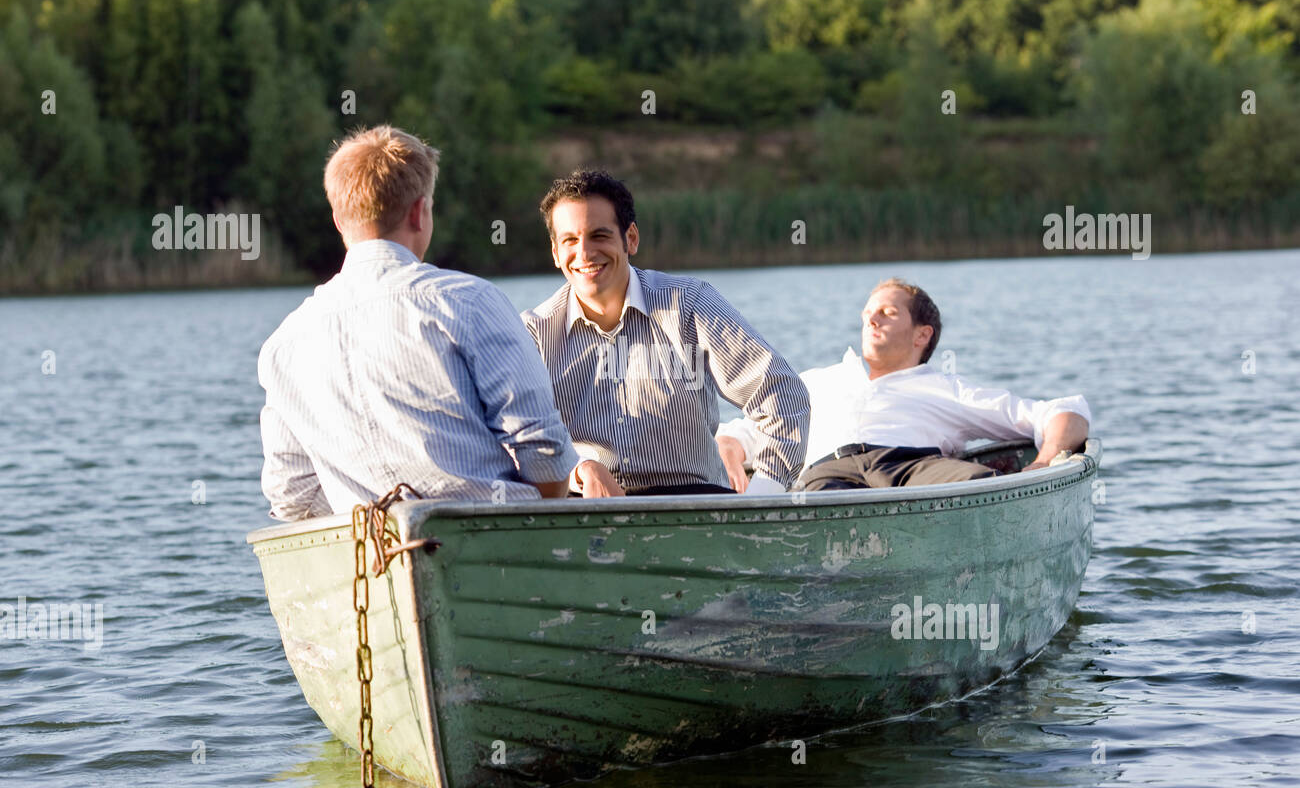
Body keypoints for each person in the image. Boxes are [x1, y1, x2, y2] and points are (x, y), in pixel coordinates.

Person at [257, 125, 578, 521]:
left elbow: (294, 495)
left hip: (370, 556)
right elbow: (542, 449)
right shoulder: (469, 301)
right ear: (419, 212)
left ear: (338, 220)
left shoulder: (283, 345)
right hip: (493, 540)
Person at [521, 169, 809, 497]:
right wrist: (580, 470)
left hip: (695, 507)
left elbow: (783, 394)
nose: (585, 253)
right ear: (556, 253)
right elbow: (518, 438)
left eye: (599, 236)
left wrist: (761, 500)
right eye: (570, 240)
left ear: (631, 238)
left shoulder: (688, 305)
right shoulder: (534, 333)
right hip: (585, 509)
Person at [715, 278, 1091, 490]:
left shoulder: (944, 387)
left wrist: (1043, 461)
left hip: (913, 468)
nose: (871, 320)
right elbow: (741, 435)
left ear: (921, 335)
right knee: (816, 505)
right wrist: (729, 451)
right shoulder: (816, 382)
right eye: (867, 313)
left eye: (888, 313)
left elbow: (1064, 413)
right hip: (828, 474)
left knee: (980, 486)